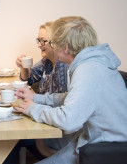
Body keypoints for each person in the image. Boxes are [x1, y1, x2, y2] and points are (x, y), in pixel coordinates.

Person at [14, 16, 127, 164]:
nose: (52, 47)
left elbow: (68, 120)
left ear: (65, 47)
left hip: (102, 150)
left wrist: (33, 109)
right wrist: (37, 98)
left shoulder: (88, 71)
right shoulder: (94, 63)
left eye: (53, 43)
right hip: (91, 140)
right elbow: (73, 97)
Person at [16, 22, 69, 94]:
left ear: (54, 42)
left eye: (43, 41)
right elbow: (28, 78)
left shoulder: (64, 65)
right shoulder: (46, 61)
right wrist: (23, 66)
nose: (39, 45)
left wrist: (34, 99)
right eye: (38, 40)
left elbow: (61, 99)